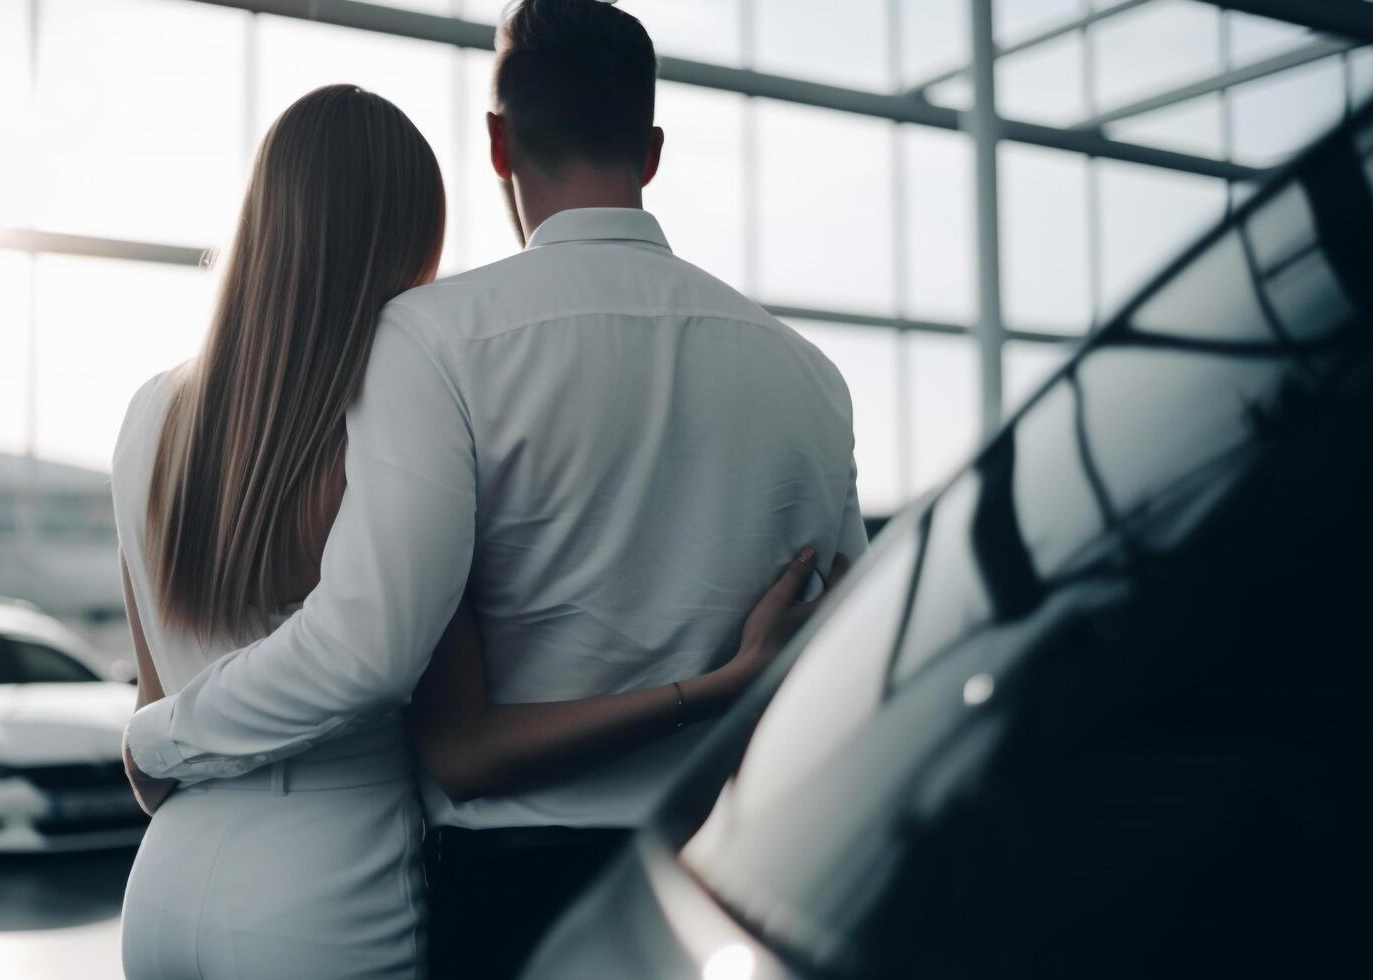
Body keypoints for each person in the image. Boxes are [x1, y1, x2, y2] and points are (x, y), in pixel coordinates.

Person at [113, 80, 855, 979]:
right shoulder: (380, 415)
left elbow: (154, 687)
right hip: (329, 882)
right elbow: (379, 664)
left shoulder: (150, 412)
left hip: (165, 879)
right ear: (410, 234)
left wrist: (158, 740)